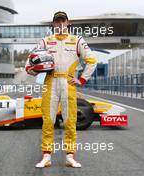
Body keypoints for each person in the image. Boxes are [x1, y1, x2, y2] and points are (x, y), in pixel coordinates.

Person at [25, 11, 97, 168]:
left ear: (68, 22)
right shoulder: (45, 41)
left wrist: (82, 79)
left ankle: (70, 156)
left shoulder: (77, 40)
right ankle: (46, 156)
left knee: (70, 121)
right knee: (48, 121)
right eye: (57, 21)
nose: (60, 24)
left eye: (63, 20)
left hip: (68, 84)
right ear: (53, 24)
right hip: (49, 82)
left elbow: (92, 60)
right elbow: (29, 63)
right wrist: (33, 69)